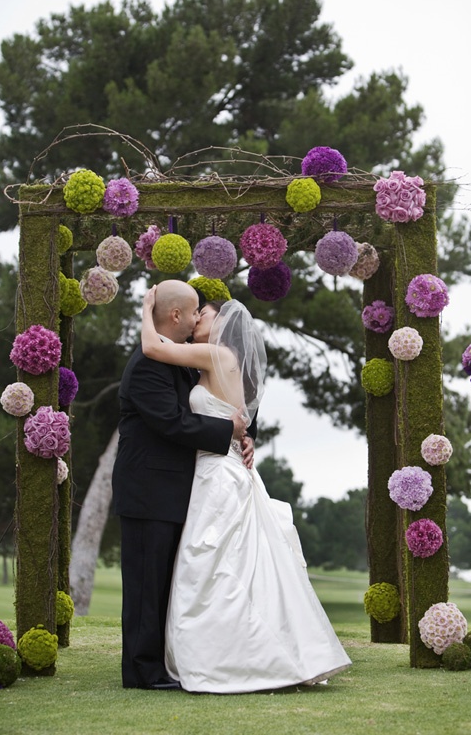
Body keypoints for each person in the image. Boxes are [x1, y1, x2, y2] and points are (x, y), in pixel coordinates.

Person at [141, 286, 352, 694]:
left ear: (222, 324)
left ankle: (236, 658)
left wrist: (147, 308)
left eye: (202, 315)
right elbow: (231, 417)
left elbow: (153, 347)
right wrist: (242, 436)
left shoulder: (219, 355)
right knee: (230, 565)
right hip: (221, 466)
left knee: (213, 564)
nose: (196, 319)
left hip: (219, 473)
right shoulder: (213, 364)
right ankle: (242, 651)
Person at [111, 279, 252, 690]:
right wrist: (229, 429)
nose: (196, 319)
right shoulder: (147, 364)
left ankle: (164, 663)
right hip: (148, 490)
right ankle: (142, 672)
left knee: (168, 583)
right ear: (175, 315)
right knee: (145, 585)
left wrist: (245, 434)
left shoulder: (184, 360)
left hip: (180, 490)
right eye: (194, 312)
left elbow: (224, 396)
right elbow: (171, 422)